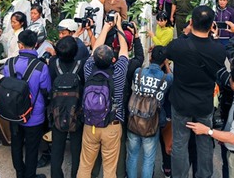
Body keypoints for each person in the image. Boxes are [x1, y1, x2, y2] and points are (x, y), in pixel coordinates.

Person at [165, 5, 226, 178]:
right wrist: (214, 39)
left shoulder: (178, 46)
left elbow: (166, 51)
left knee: (179, 143)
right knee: (205, 143)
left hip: (181, 103)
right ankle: (204, 175)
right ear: (212, 25)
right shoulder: (218, 50)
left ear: (191, 22)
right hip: (204, 104)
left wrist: (186, 33)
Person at [77, 14, 130, 178]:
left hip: (90, 124)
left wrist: (106, 26)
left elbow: (95, 50)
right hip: (112, 125)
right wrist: (119, 26)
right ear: (113, 59)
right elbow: (124, 50)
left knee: (85, 166)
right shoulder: (119, 72)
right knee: (109, 169)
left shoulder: (88, 69)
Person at [187, 64, 234, 178]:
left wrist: (207, 131)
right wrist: (222, 135)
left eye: (230, 78)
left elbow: (232, 138)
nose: (228, 80)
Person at [3, 29, 51, 178]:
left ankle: (20, 173)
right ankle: (30, 175)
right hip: (34, 116)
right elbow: (46, 90)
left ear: (20, 45)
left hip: (13, 113)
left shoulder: (9, 64)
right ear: (36, 44)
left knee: (16, 145)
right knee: (32, 148)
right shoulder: (41, 67)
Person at [126, 46, 173, 178]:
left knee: (133, 155)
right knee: (148, 158)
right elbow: (171, 77)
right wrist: (167, 65)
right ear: (164, 61)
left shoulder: (138, 72)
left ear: (150, 57)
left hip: (134, 119)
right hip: (152, 122)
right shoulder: (166, 79)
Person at [49, 36, 85, 178]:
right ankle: (76, 174)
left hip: (57, 111)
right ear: (75, 52)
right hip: (76, 112)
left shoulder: (53, 64)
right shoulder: (81, 65)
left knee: (57, 150)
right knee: (77, 150)